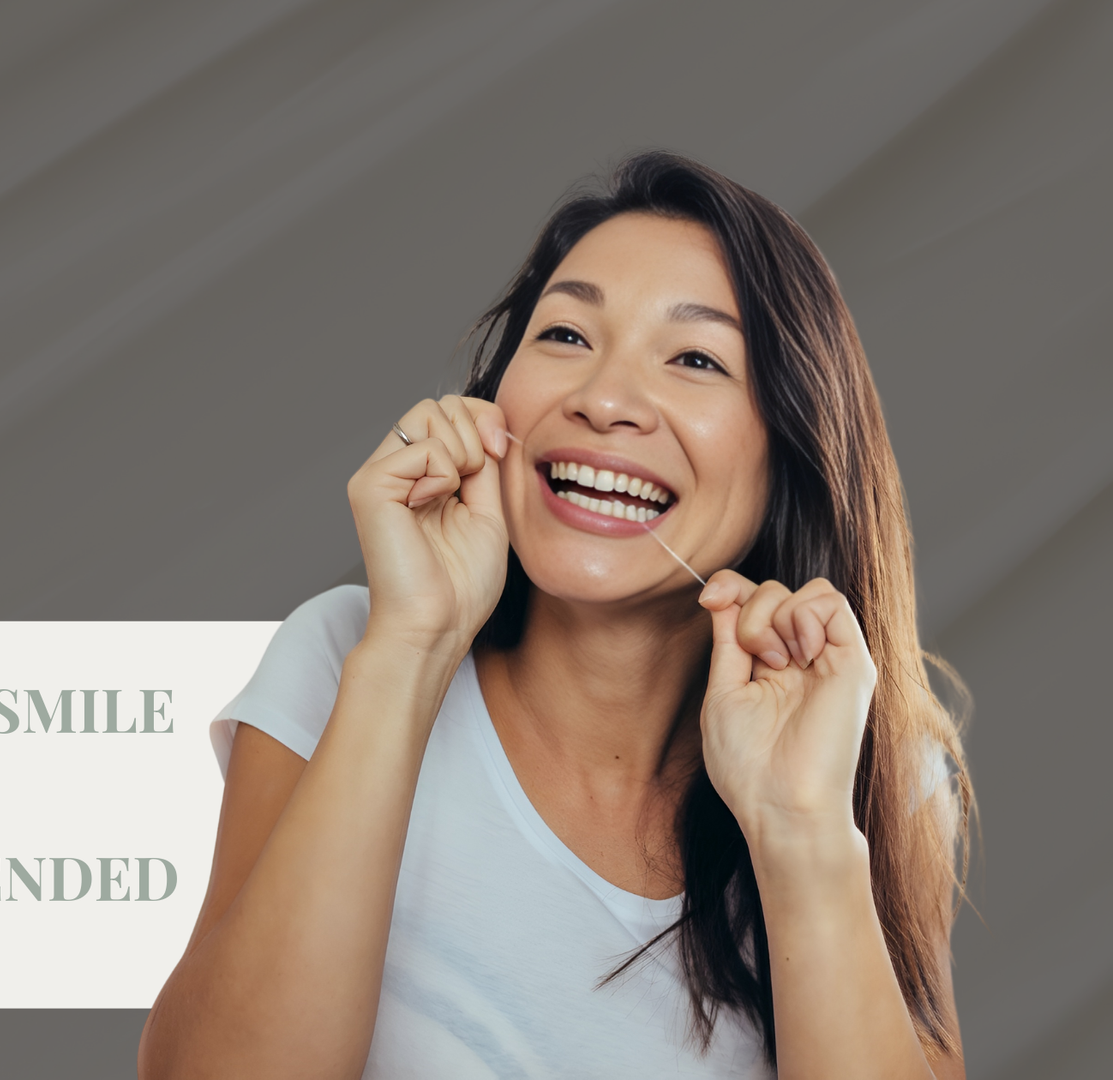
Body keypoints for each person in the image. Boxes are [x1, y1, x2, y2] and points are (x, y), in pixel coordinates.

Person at [138, 152, 971, 1078]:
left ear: (793, 446)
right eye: (568, 336)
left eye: (695, 358)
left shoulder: (873, 772)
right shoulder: (344, 656)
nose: (604, 400)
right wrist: (410, 654)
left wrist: (804, 831)